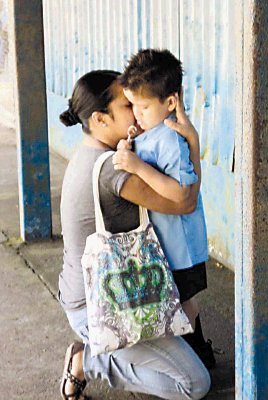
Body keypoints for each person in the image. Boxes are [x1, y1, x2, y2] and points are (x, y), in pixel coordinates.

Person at [58, 69, 211, 400]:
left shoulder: (87, 152)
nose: (138, 111)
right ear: (100, 119)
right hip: (102, 309)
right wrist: (193, 141)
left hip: (86, 292)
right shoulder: (114, 167)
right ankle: (89, 359)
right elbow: (184, 201)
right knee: (194, 385)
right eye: (128, 105)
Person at [113, 49, 215, 367]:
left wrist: (138, 167)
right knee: (180, 303)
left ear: (170, 103)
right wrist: (133, 142)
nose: (137, 114)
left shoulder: (171, 139)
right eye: (133, 106)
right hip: (166, 245)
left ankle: (197, 359)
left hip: (180, 247)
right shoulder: (152, 132)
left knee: (182, 305)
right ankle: (200, 356)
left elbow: (182, 193)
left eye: (143, 107)